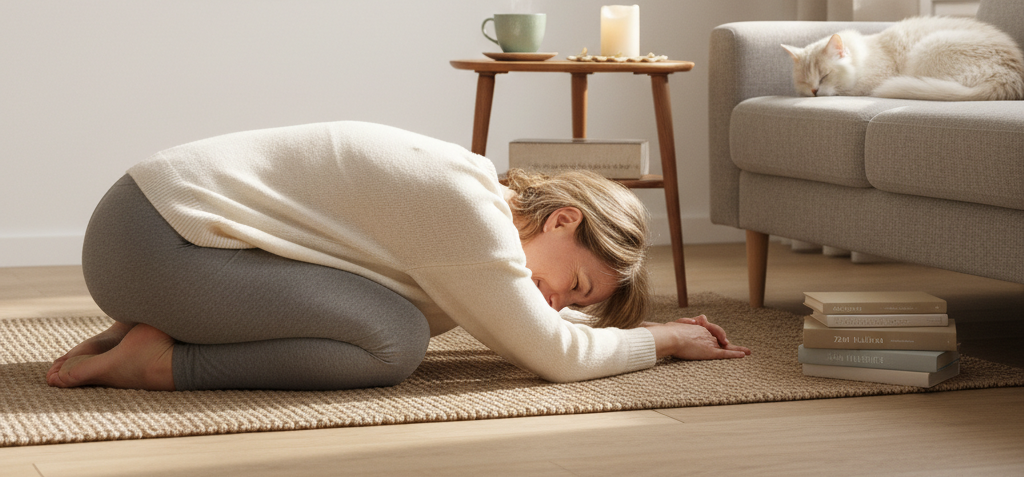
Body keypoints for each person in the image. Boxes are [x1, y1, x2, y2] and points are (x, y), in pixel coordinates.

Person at [47, 121, 750, 391]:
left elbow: (531, 319)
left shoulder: (474, 196)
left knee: (383, 320)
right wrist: (663, 341)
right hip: (154, 243)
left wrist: (620, 325)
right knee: (392, 341)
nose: (556, 301)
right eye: (576, 283)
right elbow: (555, 356)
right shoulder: (470, 216)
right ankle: (161, 363)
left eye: (572, 302)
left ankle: (162, 325)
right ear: (564, 219)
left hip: (158, 236)